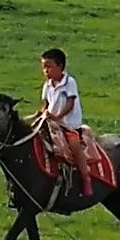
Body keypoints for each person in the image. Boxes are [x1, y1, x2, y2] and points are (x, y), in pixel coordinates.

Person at [34, 44, 87, 181]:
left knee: (75, 147)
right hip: (52, 124)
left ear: (60, 66)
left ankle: (85, 177)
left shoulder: (69, 82)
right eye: (44, 67)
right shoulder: (47, 85)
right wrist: (41, 113)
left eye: (49, 67)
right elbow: (46, 104)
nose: (46, 71)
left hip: (69, 126)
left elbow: (70, 104)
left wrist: (57, 116)